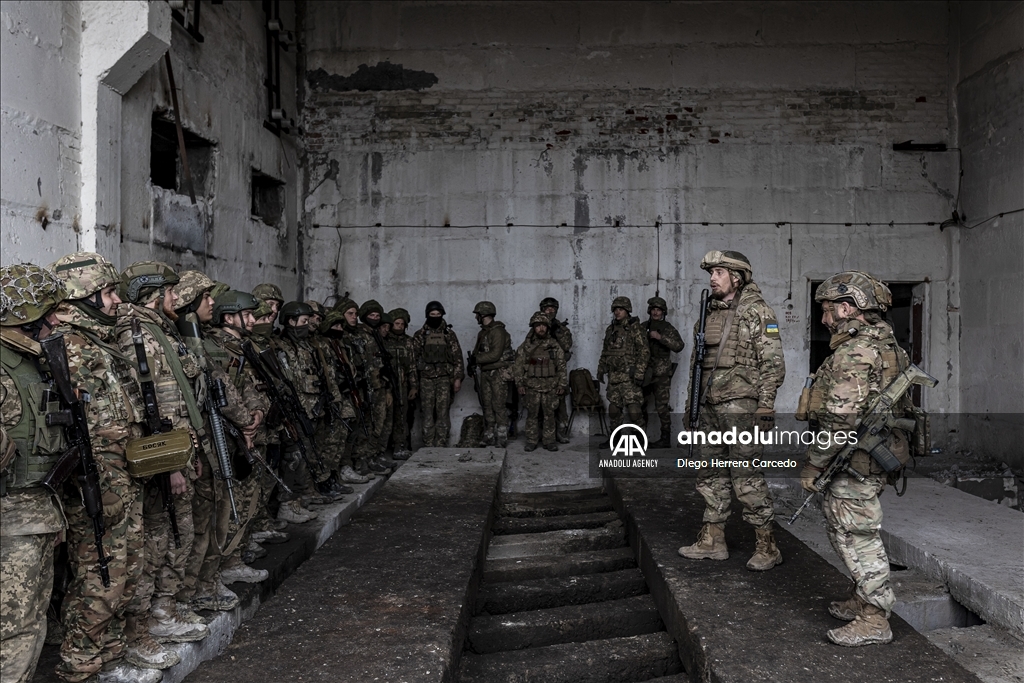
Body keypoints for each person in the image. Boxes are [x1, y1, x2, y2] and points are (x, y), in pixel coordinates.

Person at [46, 255, 163, 682]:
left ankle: (110, 650)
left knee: (127, 568)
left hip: (120, 475)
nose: (116, 301)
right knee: (102, 573)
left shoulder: (99, 342)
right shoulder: (68, 346)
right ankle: (80, 661)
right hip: (95, 479)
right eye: (109, 293)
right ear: (85, 296)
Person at [802, 271, 910, 647]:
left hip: (856, 461)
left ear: (848, 308)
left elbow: (840, 418)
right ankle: (861, 597)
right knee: (845, 530)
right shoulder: (889, 346)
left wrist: (815, 463)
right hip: (871, 457)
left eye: (829, 309)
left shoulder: (854, 352)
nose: (825, 318)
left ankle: (875, 619)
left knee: (857, 536)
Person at [116, 262, 211, 666]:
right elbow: (157, 406)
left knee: (177, 533)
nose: (177, 298)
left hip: (177, 452)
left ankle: (164, 608)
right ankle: (152, 617)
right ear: (151, 294)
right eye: (170, 292)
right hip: (162, 457)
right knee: (163, 537)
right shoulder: (139, 336)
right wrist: (172, 464)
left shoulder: (157, 331)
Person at [677, 251, 786, 572]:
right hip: (709, 406)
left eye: (719, 272)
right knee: (710, 472)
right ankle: (713, 540)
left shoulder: (758, 312)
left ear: (736, 277)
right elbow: (696, 368)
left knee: (745, 476)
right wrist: (690, 406)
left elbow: (773, 363)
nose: (712, 277)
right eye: (711, 272)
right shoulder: (707, 314)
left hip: (742, 406)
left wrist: (766, 405)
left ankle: (768, 545)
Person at [0, 265, 73, 683]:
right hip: (11, 518)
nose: (60, 320)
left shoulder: (31, 361)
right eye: (53, 312)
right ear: (28, 315)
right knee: (15, 630)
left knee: (29, 624)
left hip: (35, 512)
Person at [411, 302, 464, 447]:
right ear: (427, 315)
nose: (435, 317)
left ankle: (440, 443)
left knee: (443, 412)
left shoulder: (449, 334)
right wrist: (414, 384)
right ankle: (428, 445)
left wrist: (457, 378)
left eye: (438, 314)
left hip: (444, 379)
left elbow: (457, 357)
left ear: (442, 315)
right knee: (427, 413)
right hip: (426, 379)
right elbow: (412, 361)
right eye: (432, 315)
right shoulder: (420, 335)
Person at [513, 312, 567, 452]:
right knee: (532, 415)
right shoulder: (526, 346)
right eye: (538, 326)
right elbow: (518, 366)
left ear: (548, 327)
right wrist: (519, 384)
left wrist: (562, 384)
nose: (541, 328)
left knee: (549, 415)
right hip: (531, 386)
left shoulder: (554, 346)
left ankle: (549, 441)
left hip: (550, 386)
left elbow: (561, 365)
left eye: (543, 325)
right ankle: (531, 440)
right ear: (533, 327)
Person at [597, 296, 649, 433]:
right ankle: (614, 438)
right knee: (614, 410)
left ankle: (640, 438)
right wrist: (601, 368)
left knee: (634, 411)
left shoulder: (634, 328)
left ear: (627, 310)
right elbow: (605, 351)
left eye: (620, 309)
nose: (617, 312)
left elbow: (644, 351)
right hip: (614, 376)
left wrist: (639, 372)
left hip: (629, 377)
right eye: (615, 310)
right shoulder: (611, 329)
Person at [642, 296, 685, 448]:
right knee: (640, 405)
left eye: (658, 310)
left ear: (663, 312)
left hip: (661, 374)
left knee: (662, 407)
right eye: (653, 309)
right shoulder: (643, 326)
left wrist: (661, 338)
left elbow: (679, 346)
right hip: (645, 372)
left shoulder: (667, 328)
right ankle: (640, 438)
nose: (655, 312)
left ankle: (665, 439)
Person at [470, 302, 513, 447]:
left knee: (498, 404)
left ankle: (501, 435)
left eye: (477, 314)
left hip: (498, 373)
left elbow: (495, 355)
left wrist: (477, 359)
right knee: (486, 403)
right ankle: (489, 433)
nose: (476, 317)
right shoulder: (483, 332)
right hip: (485, 372)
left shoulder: (497, 331)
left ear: (483, 315)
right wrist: (472, 363)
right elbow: (478, 351)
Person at [384, 308, 417, 458]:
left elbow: (412, 366)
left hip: (402, 385)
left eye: (402, 324)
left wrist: (414, 386)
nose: (399, 326)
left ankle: (399, 447)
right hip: (387, 385)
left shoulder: (409, 342)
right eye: (396, 323)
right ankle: (382, 450)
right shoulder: (383, 339)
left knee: (401, 417)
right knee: (385, 417)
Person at [539, 297, 572, 443]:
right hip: (540, 371)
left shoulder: (561, 329)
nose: (550, 310)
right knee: (540, 404)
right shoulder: (537, 328)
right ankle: (543, 433)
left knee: (560, 403)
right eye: (547, 308)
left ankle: (561, 432)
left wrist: (557, 331)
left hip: (557, 371)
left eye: (553, 308)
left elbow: (566, 346)